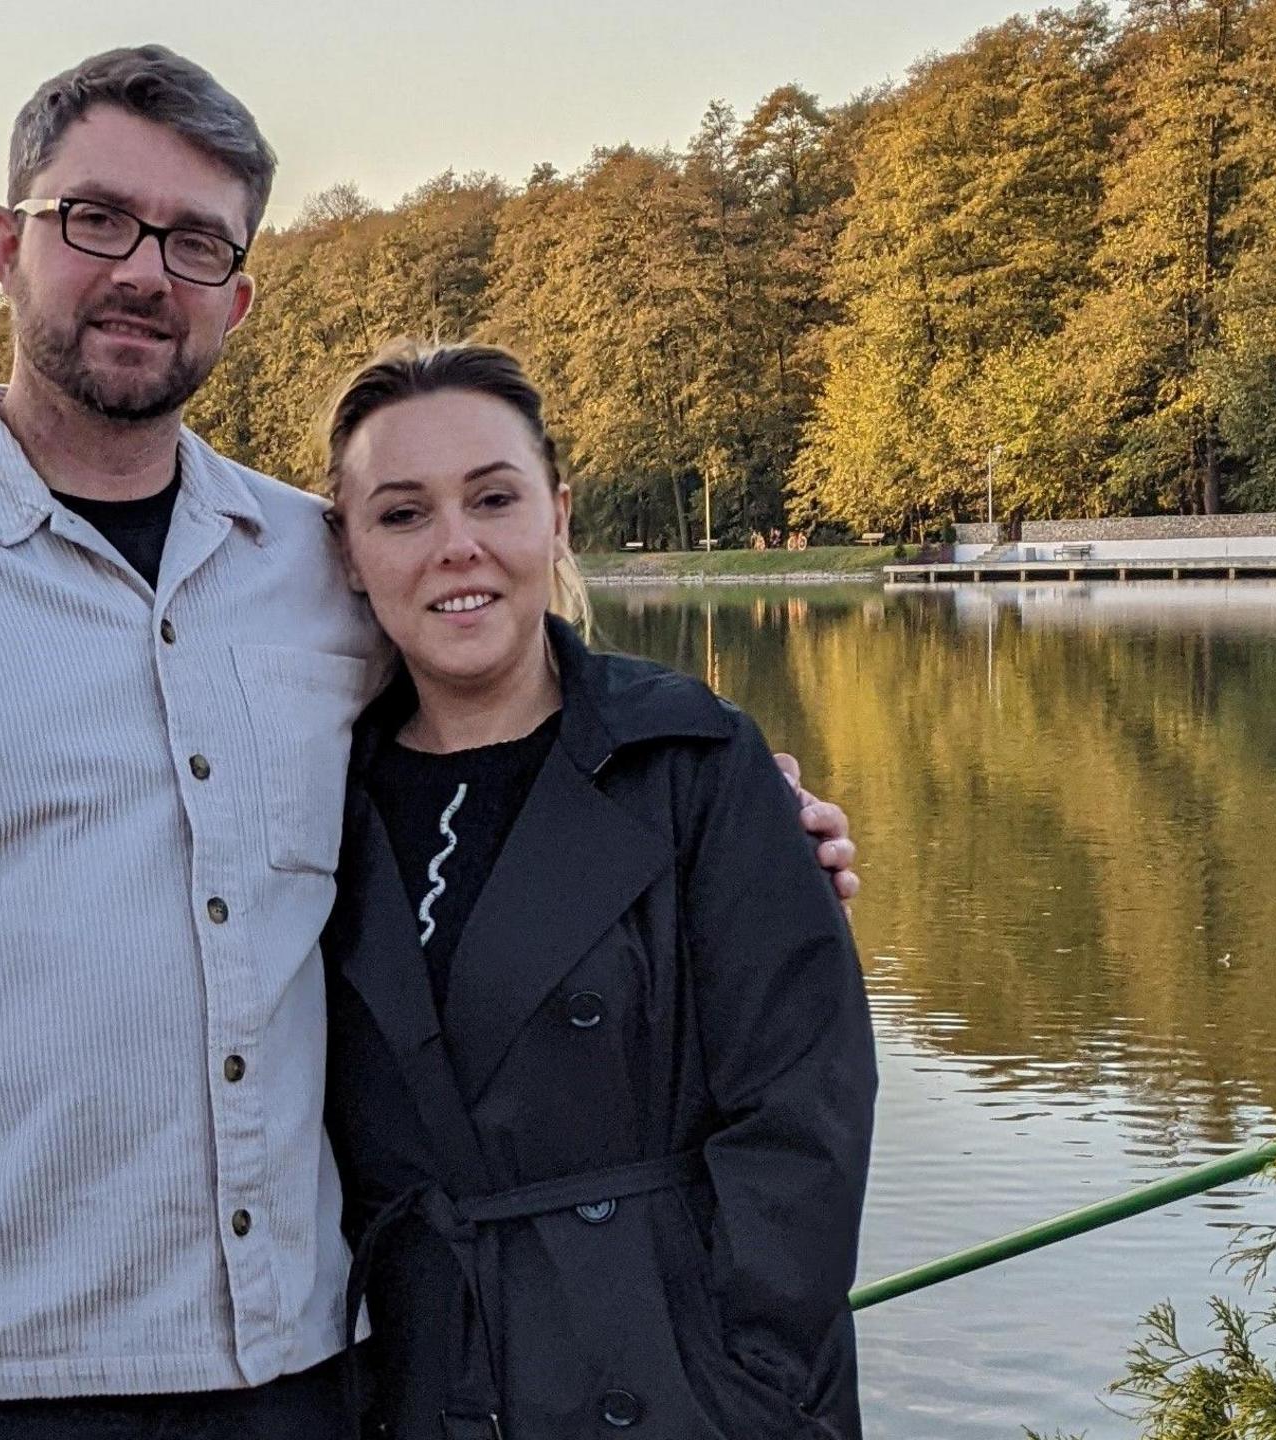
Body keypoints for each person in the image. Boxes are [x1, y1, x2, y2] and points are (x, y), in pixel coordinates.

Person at [0, 46, 859, 1440]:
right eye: (96, 220)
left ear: (238, 291)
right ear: (6, 245)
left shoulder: (319, 558)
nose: (143, 273)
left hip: (307, 1377)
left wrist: (728, 824)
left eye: (195, 241)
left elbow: (508, 718)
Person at [318, 342, 876, 1440]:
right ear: (346, 549)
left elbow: (803, 1116)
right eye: (401, 515)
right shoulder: (305, 806)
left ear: (556, 517)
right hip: (422, 1383)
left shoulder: (694, 764)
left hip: (679, 1388)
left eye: (493, 498)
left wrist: (745, 1385)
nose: (456, 546)